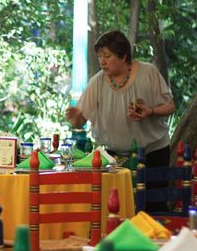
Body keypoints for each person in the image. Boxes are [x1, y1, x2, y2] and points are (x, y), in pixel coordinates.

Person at [66, 29, 175, 170]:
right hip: (113, 156)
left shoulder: (148, 72)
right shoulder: (97, 82)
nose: (102, 61)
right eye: (99, 56)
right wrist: (75, 118)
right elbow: (80, 122)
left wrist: (151, 111)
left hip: (153, 153)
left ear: (123, 56)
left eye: (107, 56)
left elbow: (170, 106)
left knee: (152, 192)